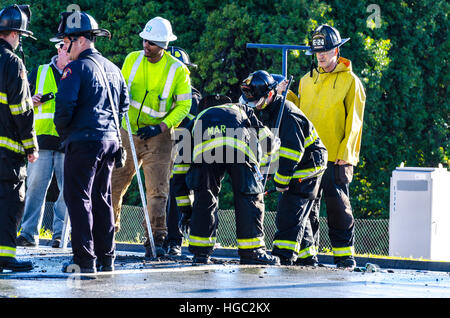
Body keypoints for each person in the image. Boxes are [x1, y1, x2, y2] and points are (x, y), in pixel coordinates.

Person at [281, 24, 366, 269]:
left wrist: (346, 155)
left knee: (339, 208)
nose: (321, 56)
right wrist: (287, 96)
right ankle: (308, 257)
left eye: (326, 51)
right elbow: (300, 113)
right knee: (308, 208)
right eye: (318, 52)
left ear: (337, 50)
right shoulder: (307, 80)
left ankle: (345, 257)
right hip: (308, 157)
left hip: (335, 157)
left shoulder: (351, 81)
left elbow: (355, 121)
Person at [53, 11, 129, 273]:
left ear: (80, 40)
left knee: (79, 199)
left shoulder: (76, 68)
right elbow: (123, 107)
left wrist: (66, 136)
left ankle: (84, 260)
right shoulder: (114, 69)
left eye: (65, 42)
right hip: (110, 141)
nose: (64, 47)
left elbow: (63, 107)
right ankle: (106, 257)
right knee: (102, 198)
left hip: (84, 141)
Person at [111, 17, 192, 258]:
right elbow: (121, 89)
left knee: (157, 191)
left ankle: (155, 240)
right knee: (114, 184)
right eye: (145, 40)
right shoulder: (132, 59)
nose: (146, 45)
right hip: (129, 131)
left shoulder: (178, 70)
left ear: (163, 45)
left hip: (160, 137)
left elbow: (184, 105)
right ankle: (107, 234)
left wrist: (162, 127)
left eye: (152, 43)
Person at [178, 97, 280, 265]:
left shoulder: (196, 119)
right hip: (239, 148)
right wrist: (272, 148)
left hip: (205, 153)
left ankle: (200, 254)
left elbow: (179, 171)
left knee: (205, 197)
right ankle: (252, 253)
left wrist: (186, 210)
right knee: (248, 197)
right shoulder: (241, 109)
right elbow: (266, 139)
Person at [240, 70, 328, 266]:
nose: (256, 106)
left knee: (289, 212)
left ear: (270, 94)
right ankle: (307, 259)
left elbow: (291, 153)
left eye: (259, 101)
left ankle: (283, 256)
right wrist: (263, 173)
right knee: (300, 216)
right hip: (295, 164)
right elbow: (269, 149)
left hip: (309, 164)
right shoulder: (267, 111)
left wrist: (281, 181)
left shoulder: (287, 113)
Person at [17, 40, 70, 249]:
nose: (71, 52)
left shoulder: (77, 70)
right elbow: (21, 98)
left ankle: (61, 235)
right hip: (42, 141)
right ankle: (28, 234)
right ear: (59, 50)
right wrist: (32, 100)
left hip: (67, 142)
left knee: (67, 192)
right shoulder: (40, 71)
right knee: (35, 189)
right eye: (67, 49)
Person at [0, 4, 38, 272]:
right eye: (21, 35)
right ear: (14, 33)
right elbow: (22, 110)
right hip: (7, 153)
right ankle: (5, 256)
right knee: (10, 202)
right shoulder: (13, 63)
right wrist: (30, 145)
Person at [164, 46, 202, 256]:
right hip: (163, 150)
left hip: (185, 153)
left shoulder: (194, 99)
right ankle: (167, 239)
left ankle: (177, 240)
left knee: (181, 197)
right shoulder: (161, 94)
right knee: (162, 196)